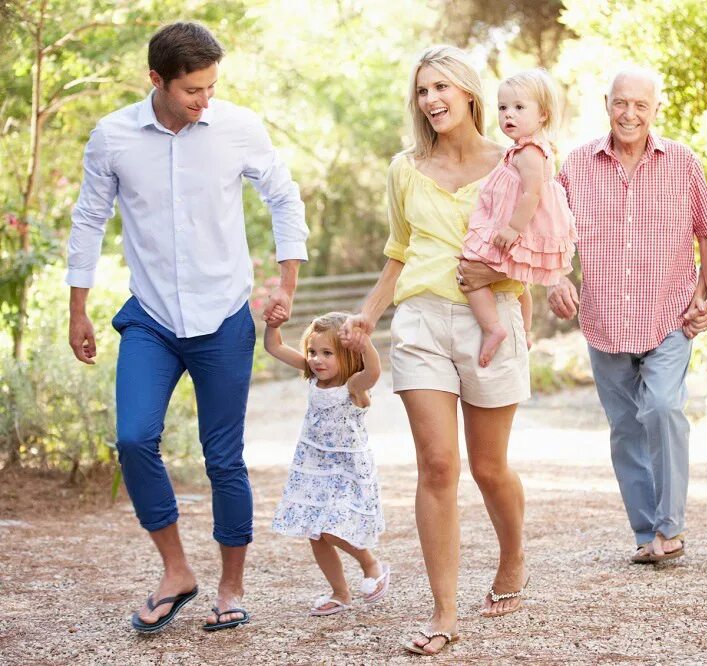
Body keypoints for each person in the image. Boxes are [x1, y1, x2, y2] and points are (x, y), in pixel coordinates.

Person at [66, 22, 308, 632]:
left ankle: (230, 587)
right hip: (150, 317)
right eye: (192, 90)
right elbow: (89, 219)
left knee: (223, 459)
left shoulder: (237, 128)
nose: (205, 100)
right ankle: (176, 572)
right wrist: (78, 308)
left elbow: (284, 196)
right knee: (132, 439)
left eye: (211, 87)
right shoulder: (113, 137)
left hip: (223, 317)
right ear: (157, 80)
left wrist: (287, 282)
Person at [460, 65, 707, 565]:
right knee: (625, 428)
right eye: (621, 103)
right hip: (604, 320)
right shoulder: (575, 165)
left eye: (640, 106)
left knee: (664, 408)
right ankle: (646, 533)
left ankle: (672, 526)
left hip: (668, 313)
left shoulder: (683, 162)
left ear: (655, 110)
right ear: (607, 103)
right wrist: (556, 278)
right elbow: (544, 222)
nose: (629, 113)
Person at [338, 45, 531, 657]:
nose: (432, 100)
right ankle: (444, 612)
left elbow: (538, 237)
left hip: (491, 316)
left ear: (469, 92)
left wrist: (532, 298)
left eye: (442, 87)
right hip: (420, 319)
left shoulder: (512, 162)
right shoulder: (405, 168)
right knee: (438, 464)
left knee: (489, 467)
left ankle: (513, 555)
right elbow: (399, 250)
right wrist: (368, 314)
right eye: (423, 91)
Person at [264, 310, 389, 614]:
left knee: (331, 528)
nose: (317, 360)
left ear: (346, 356)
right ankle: (339, 593)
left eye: (327, 353)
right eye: (312, 351)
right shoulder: (312, 376)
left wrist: (364, 344)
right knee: (315, 533)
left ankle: (370, 563)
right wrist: (273, 326)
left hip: (346, 471)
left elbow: (374, 372)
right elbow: (275, 347)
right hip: (313, 467)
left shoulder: (354, 387)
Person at [460, 68, 576, 367]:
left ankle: (494, 328)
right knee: (520, 284)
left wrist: (512, 228)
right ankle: (524, 331)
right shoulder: (521, 149)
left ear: (543, 116)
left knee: (470, 272)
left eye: (519, 107)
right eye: (502, 108)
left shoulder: (530, 152)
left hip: (523, 225)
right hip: (521, 224)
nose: (508, 114)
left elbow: (531, 195)